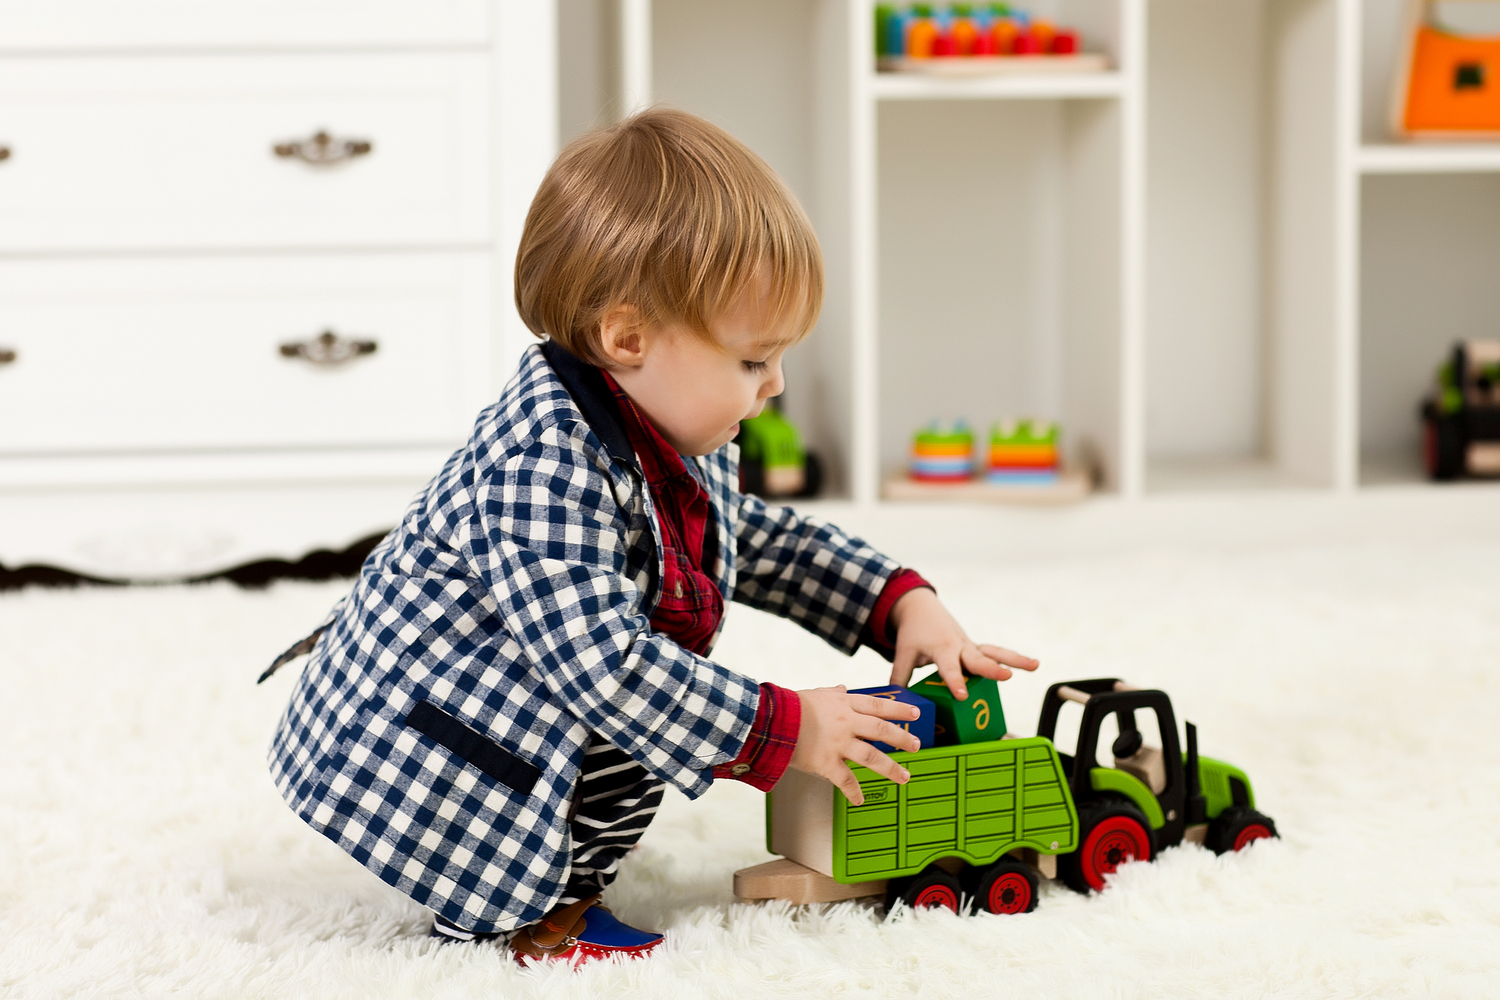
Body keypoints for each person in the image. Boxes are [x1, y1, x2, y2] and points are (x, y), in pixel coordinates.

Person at [260, 107, 1037, 966]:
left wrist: (896, 603)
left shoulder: (664, 426)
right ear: (627, 338)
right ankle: (520, 916)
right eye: (751, 361)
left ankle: (563, 875)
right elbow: (603, 666)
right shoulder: (538, 468)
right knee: (592, 751)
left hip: (528, 704)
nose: (776, 383)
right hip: (428, 751)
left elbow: (755, 543)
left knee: (639, 730)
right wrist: (783, 729)